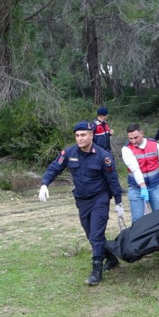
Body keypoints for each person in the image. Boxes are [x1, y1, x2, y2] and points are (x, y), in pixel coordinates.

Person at [38, 121, 125, 286]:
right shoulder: (69, 152)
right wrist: (44, 184)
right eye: (77, 135)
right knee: (91, 235)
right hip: (82, 200)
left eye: (83, 135)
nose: (80, 138)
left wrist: (118, 203)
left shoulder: (103, 156)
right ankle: (112, 259)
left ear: (91, 135)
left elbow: (113, 180)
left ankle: (96, 271)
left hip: (99, 198)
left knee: (96, 235)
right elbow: (54, 168)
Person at [121, 123, 159, 223]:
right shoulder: (126, 149)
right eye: (130, 138)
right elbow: (135, 169)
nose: (133, 141)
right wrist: (143, 187)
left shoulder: (154, 144)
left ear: (142, 133)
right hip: (137, 189)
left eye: (136, 137)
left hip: (156, 187)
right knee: (137, 220)